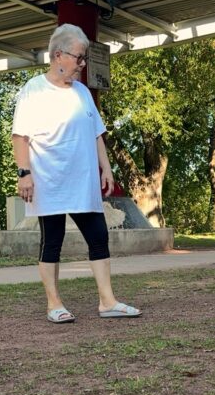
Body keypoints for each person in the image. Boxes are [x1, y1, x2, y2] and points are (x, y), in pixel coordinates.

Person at [11, 24, 141, 323]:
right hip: (49, 181)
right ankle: (54, 304)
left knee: (98, 236)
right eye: (79, 58)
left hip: (83, 180)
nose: (82, 65)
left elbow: (97, 134)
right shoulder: (33, 90)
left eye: (83, 59)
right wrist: (24, 174)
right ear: (59, 55)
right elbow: (20, 137)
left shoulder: (82, 93)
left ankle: (107, 301)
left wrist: (106, 169)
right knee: (52, 241)